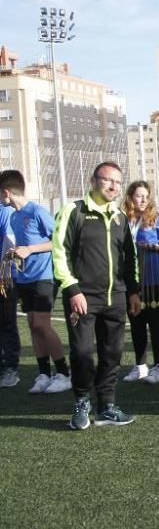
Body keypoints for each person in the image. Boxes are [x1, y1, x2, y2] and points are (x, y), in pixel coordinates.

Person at [52, 162, 141, 429]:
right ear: (93, 181)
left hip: (116, 298)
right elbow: (59, 252)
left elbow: (130, 257)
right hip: (82, 299)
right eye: (108, 180)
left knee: (112, 353)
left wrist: (133, 291)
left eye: (118, 181)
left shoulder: (120, 217)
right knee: (81, 353)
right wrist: (72, 289)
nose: (114, 186)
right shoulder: (74, 211)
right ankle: (81, 402)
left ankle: (107, 406)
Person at [0, 169, 70, 394]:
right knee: (32, 325)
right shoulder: (13, 216)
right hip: (24, 278)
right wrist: (15, 253)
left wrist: (30, 249)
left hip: (44, 277)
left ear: (6, 193)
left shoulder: (38, 212)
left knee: (41, 323)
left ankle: (63, 373)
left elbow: (59, 242)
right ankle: (43, 374)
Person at [121, 181, 159, 384]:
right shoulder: (123, 220)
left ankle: (158, 366)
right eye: (138, 195)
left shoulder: (157, 220)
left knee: (155, 321)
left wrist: (156, 247)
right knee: (136, 322)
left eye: (146, 196)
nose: (142, 200)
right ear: (131, 197)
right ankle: (140, 365)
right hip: (131, 280)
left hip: (154, 279)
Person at [0, 200, 20, 388]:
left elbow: (9, 242)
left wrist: (4, 274)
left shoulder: (4, 212)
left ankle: (11, 368)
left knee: (7, 322)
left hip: (4, 278)